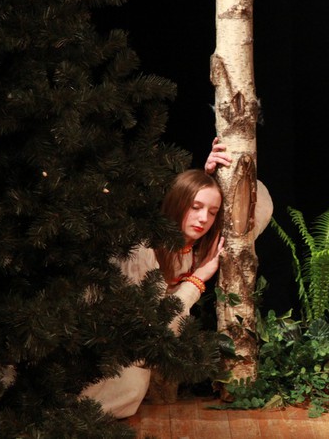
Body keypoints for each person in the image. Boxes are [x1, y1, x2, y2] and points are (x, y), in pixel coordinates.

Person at [82, 169, 225, 419]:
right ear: (178, 202)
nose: (203, 218)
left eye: (212, 212)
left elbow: (262, 203)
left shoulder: (190, 249)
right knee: (132, 386)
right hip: (97, 348)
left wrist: (215, 173)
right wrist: (198, 279)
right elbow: (153, 330)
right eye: (195, 207)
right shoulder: (144, 249)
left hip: (132, 353)